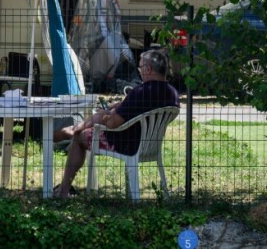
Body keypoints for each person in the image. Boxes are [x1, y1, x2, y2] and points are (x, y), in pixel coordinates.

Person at [53, 49, 179, 198]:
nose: (139, 73)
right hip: (149, 144)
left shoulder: (139, 92)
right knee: (102, 116)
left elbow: (113, 124)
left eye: (140, 69)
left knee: (80, 137)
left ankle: (64, 190)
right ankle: (75, 128)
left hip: (126, 143)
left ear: (148, 69)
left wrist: (105, 115)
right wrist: (117, 107)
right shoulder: (172, 94)